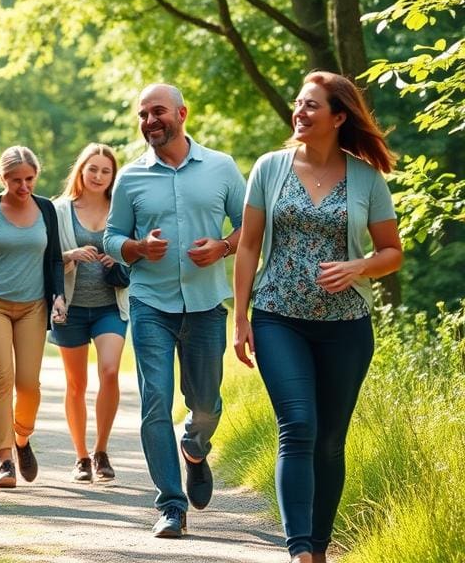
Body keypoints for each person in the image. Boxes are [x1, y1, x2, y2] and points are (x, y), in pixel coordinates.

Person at [232, 72, 402, 563]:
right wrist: (240, 317)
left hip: (346, 326)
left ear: (339, 116)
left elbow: (392, 251)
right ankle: (299, 549)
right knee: (298, 425)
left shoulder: (366, 178)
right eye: (298, 104)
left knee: (329, 440)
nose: (299, 113)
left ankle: (321, 549)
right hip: (277, 315)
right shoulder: (270, 168)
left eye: (311, 107)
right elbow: (247, 245)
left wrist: (360, 265)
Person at [103, 83, 245, 538]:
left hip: (205, 305)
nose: (150, 122)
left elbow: (251, 229)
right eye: (143, 115)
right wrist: (137, 248)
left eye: (158, 112)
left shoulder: (221, 168)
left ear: (182, 113)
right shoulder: (130, 177)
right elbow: (110, 238)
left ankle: (196, 448)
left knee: (205, 404)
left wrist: (223, 246)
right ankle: (170, 504)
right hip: (151, 304)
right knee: (155, 401)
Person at [0, 145, 65, 489]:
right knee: (2, 377)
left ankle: (23, 438)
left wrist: (58, 296)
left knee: (29, 384)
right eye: (15, 180)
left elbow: (53, 258)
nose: (24, 187)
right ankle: (5, 459)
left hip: (33, 307)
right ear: (2, 178)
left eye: (29, 179)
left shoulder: (46, 210)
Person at [52, 143, 129, 483]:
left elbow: (136, 252)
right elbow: (45, 258)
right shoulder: (58, 210)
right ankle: (81, 456)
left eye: (105, 170)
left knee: (110, 371)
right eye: (92, 169)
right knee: (76, 383)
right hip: (70, 309)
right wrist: (70, 254)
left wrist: (120, 258)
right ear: (81, 171)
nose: (98, 176)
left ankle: (101, 450)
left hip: (111, 306)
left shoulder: (122, 210)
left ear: (113, 176)